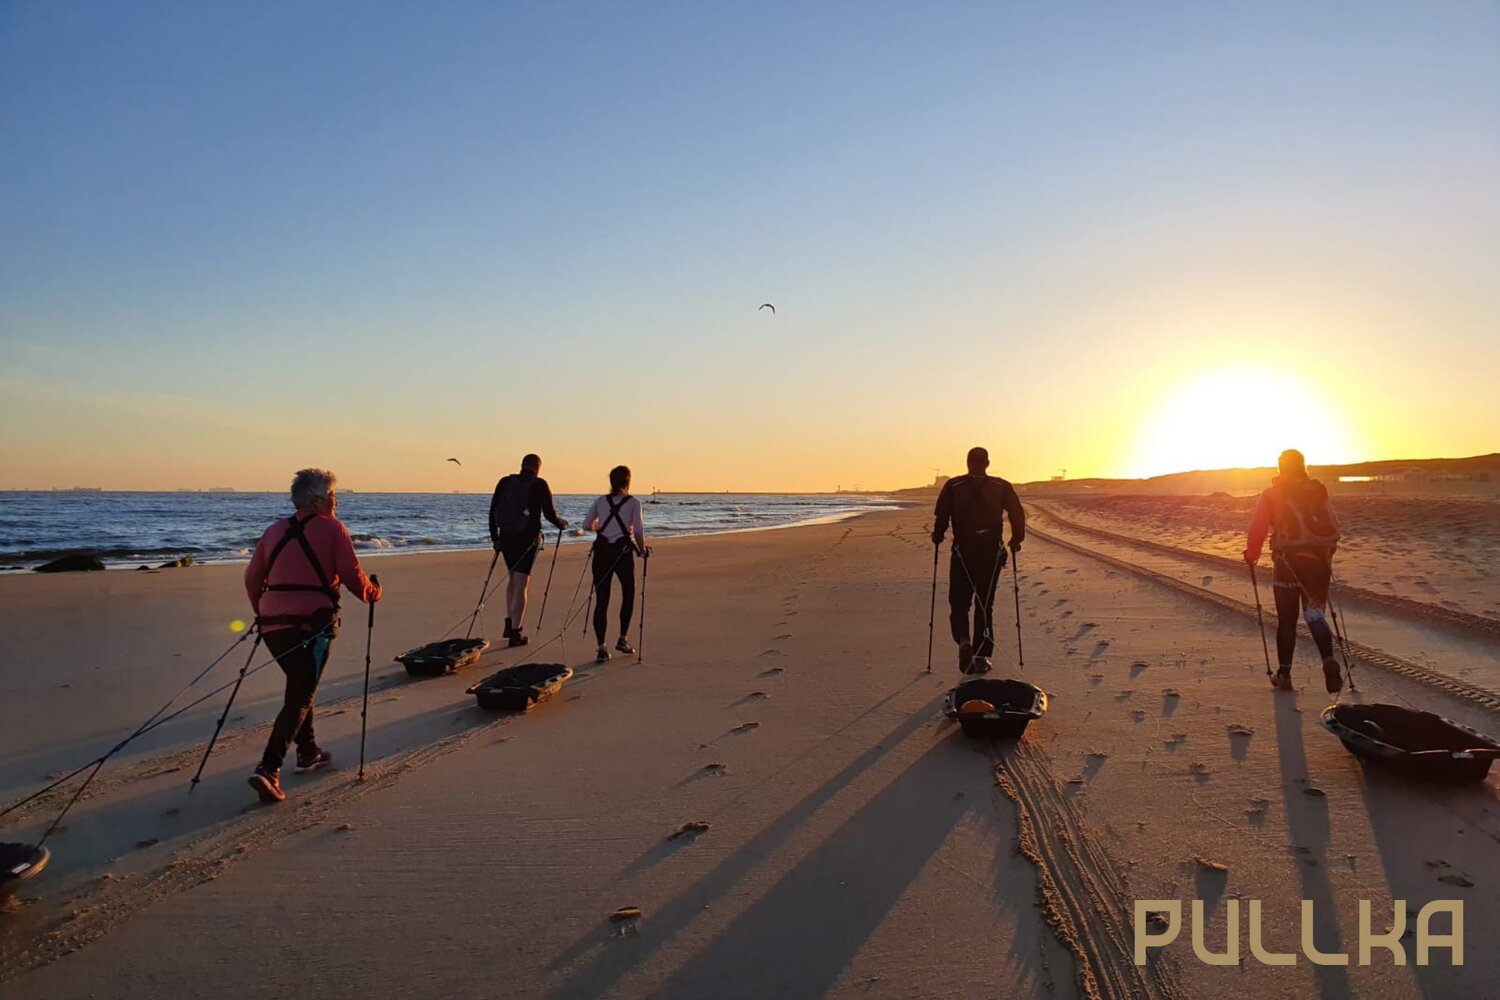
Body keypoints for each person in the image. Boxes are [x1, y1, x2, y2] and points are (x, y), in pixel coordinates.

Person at [244, 468, 381, 804]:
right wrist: (373, 592)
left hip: (272, 625)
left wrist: (263, 611)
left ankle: (308, 753)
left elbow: (252, 577)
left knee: (300, 685)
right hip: (313, 625)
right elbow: (352, 575)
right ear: (318, 500)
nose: (336, 502)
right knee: (301, 694)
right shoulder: (333, 528)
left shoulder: (274, 530)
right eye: (333, 495)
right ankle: (269, 768)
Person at [1244, 449, 1343, 693]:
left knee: (1287, 620)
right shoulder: (1318, 490)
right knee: (1315, 616)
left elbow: (1258, 527)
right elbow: (1332, 523)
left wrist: (1252, 555)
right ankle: (1328, 660)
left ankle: (1284, 675)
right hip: (1319, 561)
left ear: (1280, 466)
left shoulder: (1272, 494)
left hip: (1287, 562)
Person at [932, 447, 1026, 674]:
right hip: (991, 552)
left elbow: (942, 515)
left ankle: (964, 640)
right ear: (987, 464)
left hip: (962, 552)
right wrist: (1016, 539)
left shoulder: (953, 486)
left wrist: (938, 535)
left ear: (967, 463)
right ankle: (982, 656)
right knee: (985, 603)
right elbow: (1017, 514)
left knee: (959, 602)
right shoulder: (1001, 486)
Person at [488, 454, 568, 646]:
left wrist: (495, 538)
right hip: (527, 539)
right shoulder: (540, 484)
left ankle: (508, 622)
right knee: (521, 583)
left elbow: (492, 511)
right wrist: (562, 524)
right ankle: (516, 632)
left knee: (512, 577)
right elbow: (549, 514)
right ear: (538, 467)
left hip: (506, 537)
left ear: (522, 465)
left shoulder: (505, 482)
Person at [584, 465, 650, 662]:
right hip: (622, 553)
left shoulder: (600, 501)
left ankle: (601, 647)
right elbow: (637, 530)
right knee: (628, 593)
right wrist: (642, 550)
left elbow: (586, 525)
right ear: (628, 481)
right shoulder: (634, 503)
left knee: (601, 599)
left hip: (602, 552)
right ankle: (622, 638)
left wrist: (598, 526)